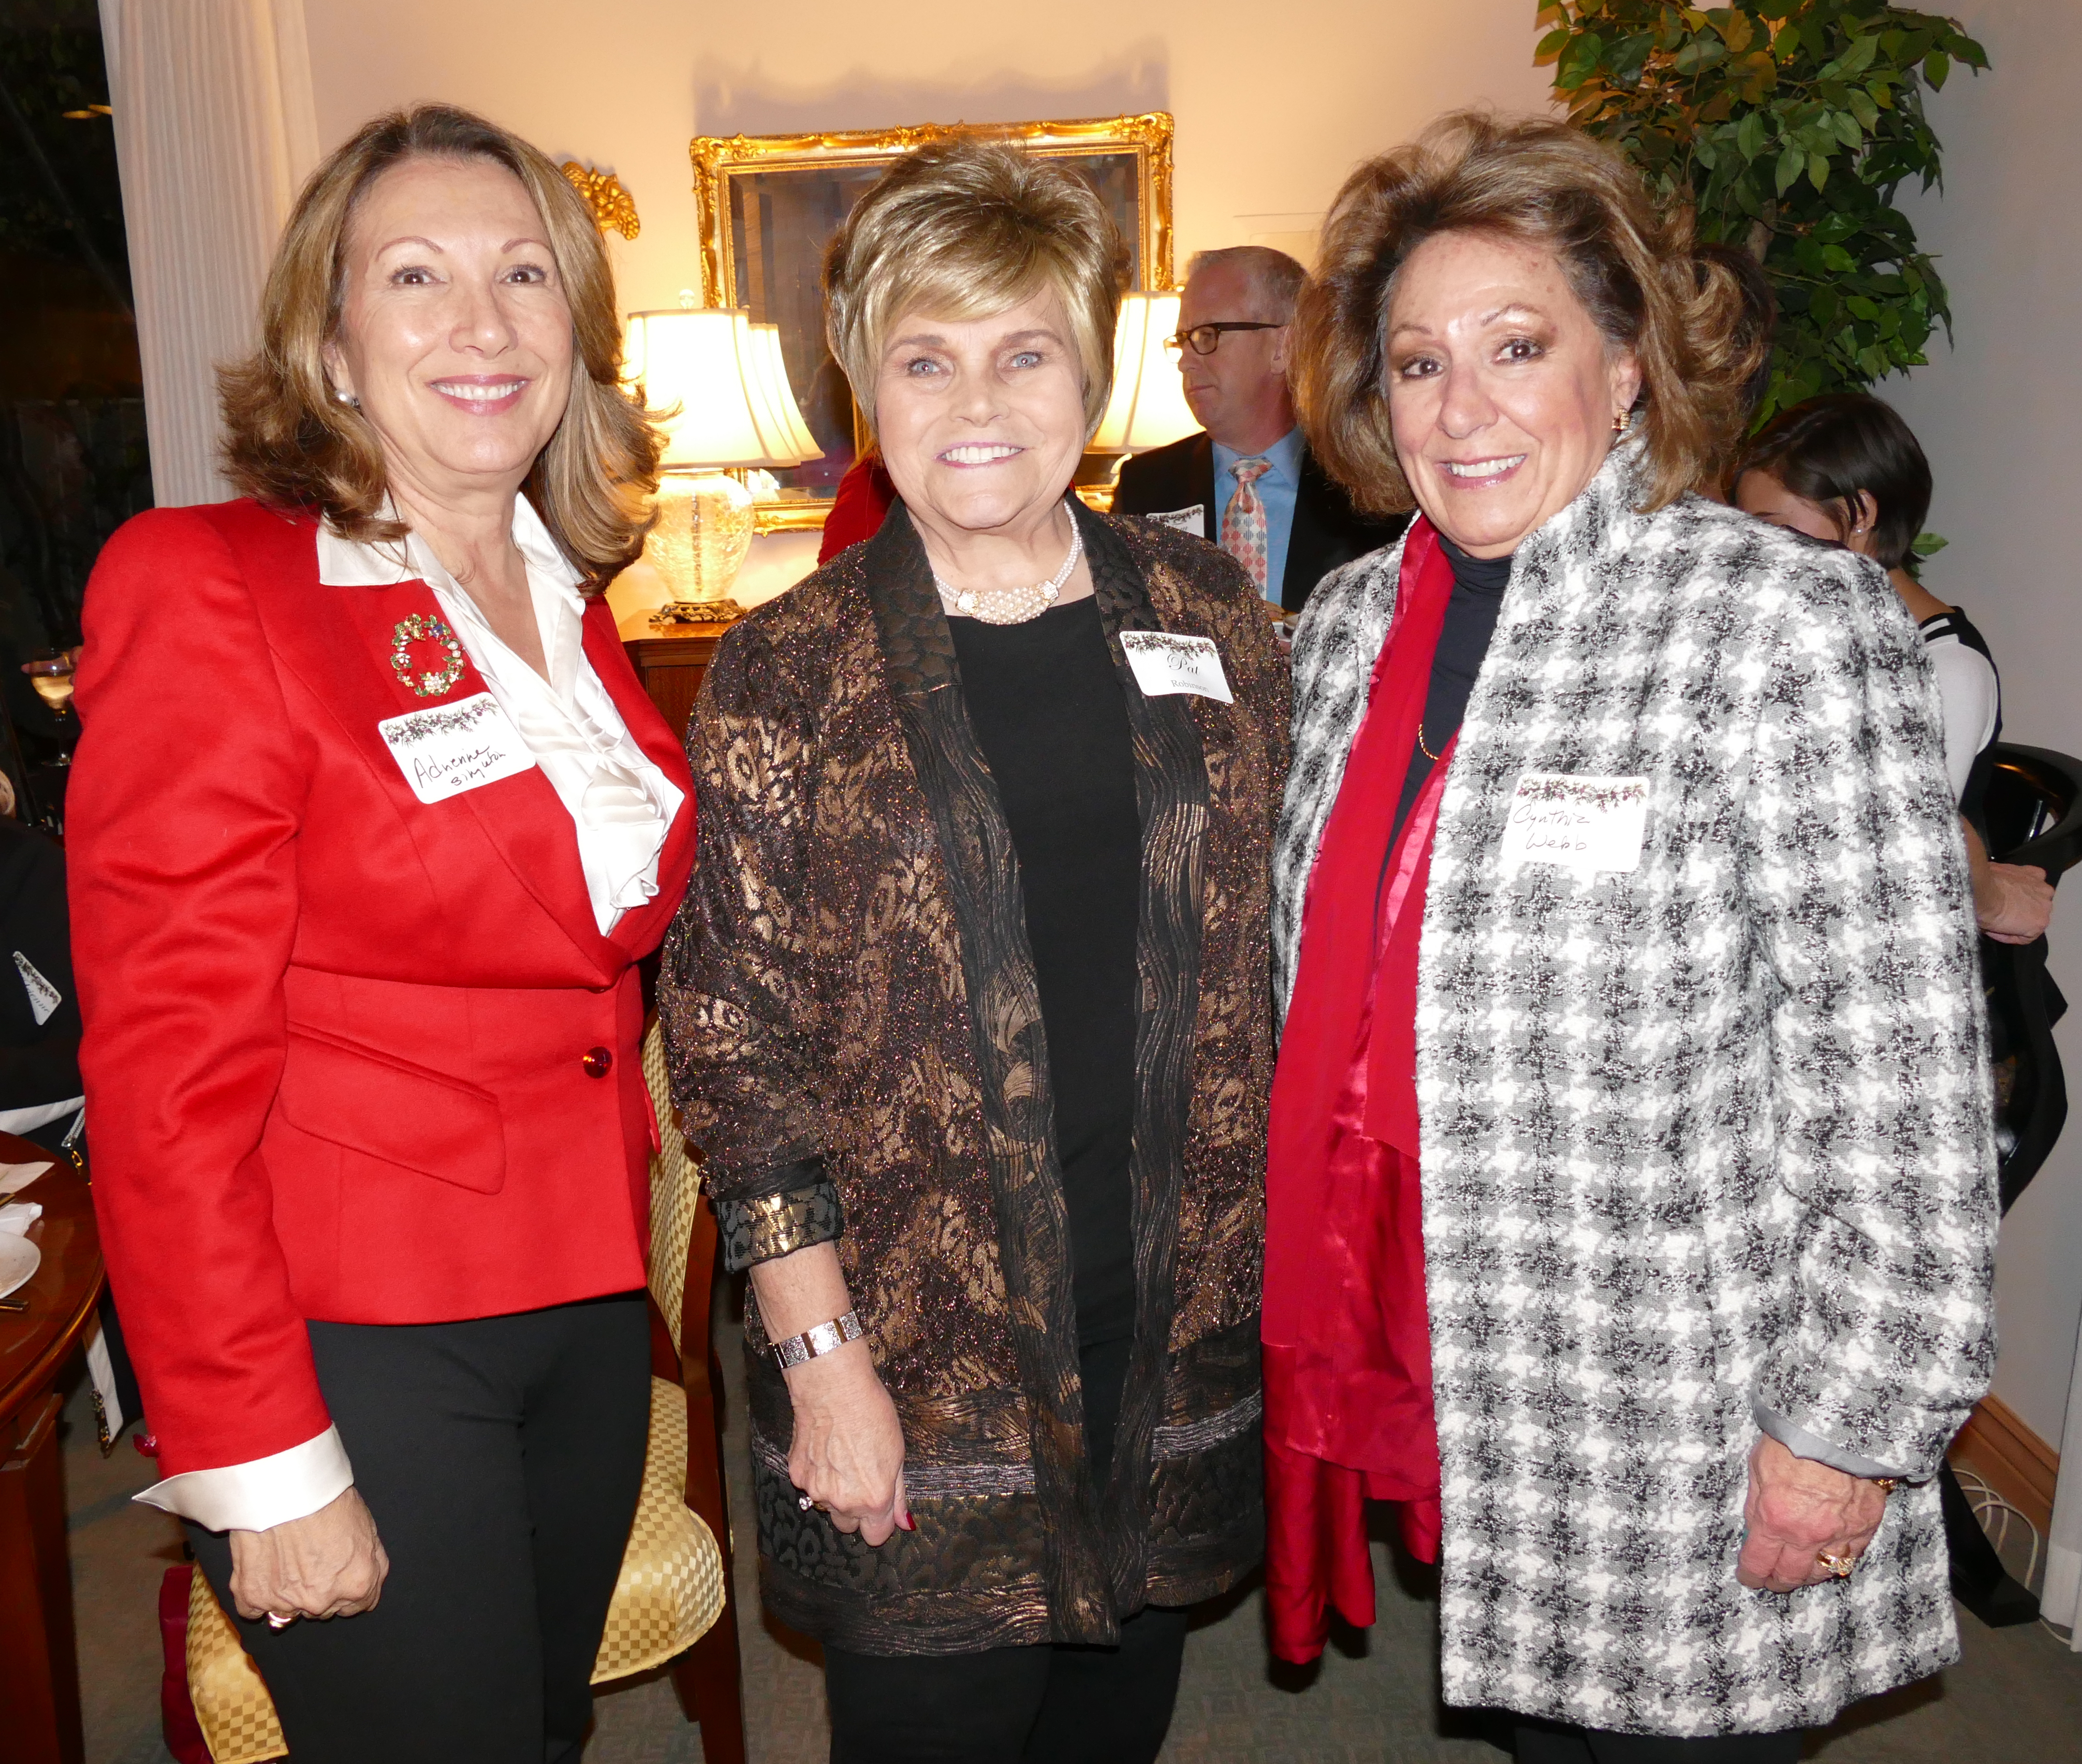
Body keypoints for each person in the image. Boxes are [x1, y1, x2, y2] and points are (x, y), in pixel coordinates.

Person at [1266, 111, 1996, 1760]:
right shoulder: (1349, 627)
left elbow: (1899, 1078)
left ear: (1625, 367)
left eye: (1515, 346)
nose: (1461, 409)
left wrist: (1847, 1423)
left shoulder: (1775, 622)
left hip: (1692, 1392)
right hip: (1467, 1350)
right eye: (1414, 362)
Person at [68, 104, 694, 1763]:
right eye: (415, 277)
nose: (483, 324)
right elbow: (162, 1075)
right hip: (353, 1332)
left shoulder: (572, 595)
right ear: (331, 345)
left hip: (577, 1302)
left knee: (538, 1731)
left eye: (525, 276)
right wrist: (260, 1449)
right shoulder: (212, 584)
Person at [661, 139, 1288, 1763]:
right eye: (923, 359)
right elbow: (728, 1029)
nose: (976, 401)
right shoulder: (787, 665)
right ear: (866, 383)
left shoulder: (1211, 610)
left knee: (1111, 1721)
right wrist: (819, 1356)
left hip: (1162, 1316)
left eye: (1022, 352)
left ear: (1089, 372)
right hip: (916, 1352)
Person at [1734, 393, 2053, 944]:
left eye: (1773, 530)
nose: (1754, 557)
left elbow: (1896, 860)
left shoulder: (1945, 666)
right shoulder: (1802, 637)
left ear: (1860, 515)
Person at [1112, 245, 1407, 613]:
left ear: (1284, 347)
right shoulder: (1146, 486)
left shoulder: (1369, 484)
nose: (1186, 362)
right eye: (1182, 341)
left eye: (1207, 335)